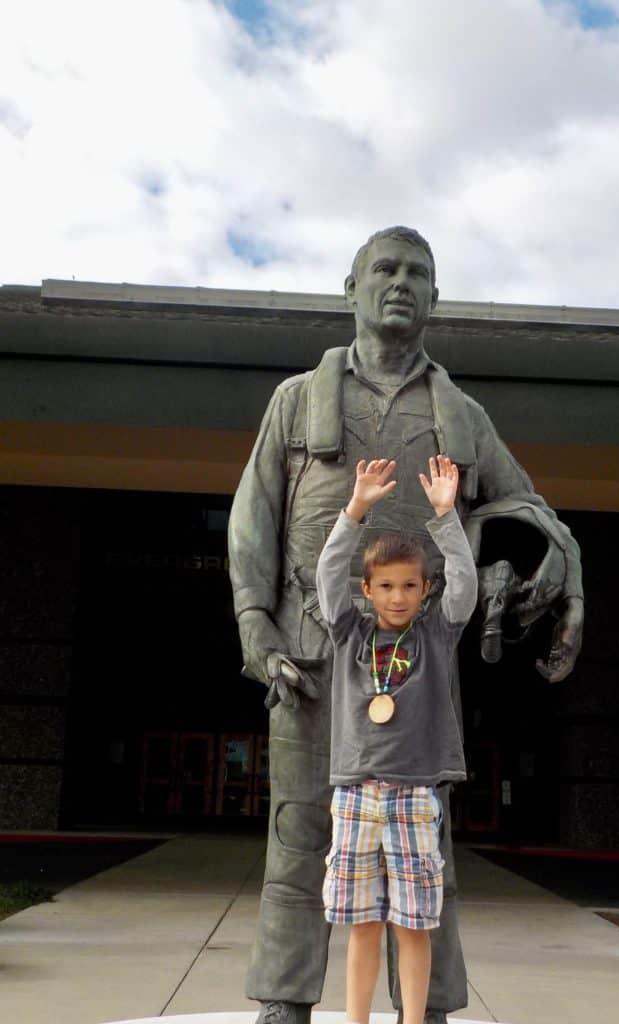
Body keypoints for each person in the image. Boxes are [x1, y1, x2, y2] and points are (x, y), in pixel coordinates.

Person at [228, 225, 584, 1024]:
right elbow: (253, 519)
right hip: (313, 652)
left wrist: (537, 555)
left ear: (434, 296)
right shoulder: (296, 401)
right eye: (382, 269)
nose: (400, 282)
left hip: (418, 667)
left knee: (425, 851)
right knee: (299, 833)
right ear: (349, 290)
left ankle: (430, 1006)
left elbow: (528, 507)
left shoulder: (459, 413)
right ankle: (285, 1000)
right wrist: (256, 623)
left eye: (416, 272)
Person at [316, 454, 478, 1024]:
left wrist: (445, 515)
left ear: (424, 588)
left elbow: (465, 585)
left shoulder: (436, 633)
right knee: (361, 924)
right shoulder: (349, 634)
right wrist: (355, 509)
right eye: (385, 586)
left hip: (414, 796)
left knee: (413, 923)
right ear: (367, 589)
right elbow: (327, 574)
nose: (398, 596)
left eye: (409, 585)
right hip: (356, 793)